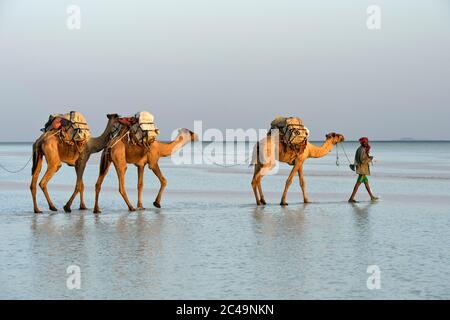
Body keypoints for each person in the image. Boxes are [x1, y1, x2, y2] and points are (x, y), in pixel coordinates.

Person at [348, 137, 379, 203]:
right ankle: (351, 198)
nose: (366, 143)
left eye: (366, 142)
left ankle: (371, 197)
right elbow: (362, 160)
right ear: (362, 143)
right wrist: (370, 159)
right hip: (362, 170)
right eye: (364, 142)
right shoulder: (362, 149)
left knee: (366, 183)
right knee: (358, 184)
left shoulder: (360, 149)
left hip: (361, 169)